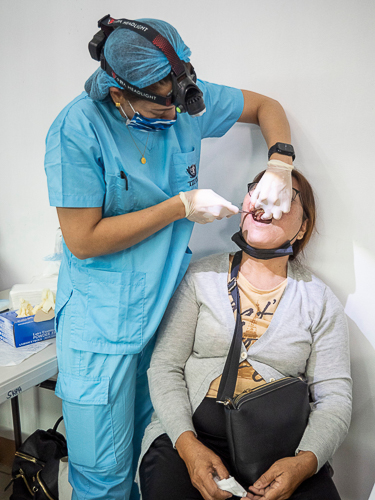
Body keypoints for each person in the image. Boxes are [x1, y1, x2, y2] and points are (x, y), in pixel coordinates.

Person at [44, 15, 299, 500]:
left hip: (163, 318)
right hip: (101, 328)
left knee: (148, 456)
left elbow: (267, 106)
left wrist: (280, 163)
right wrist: (178, 208)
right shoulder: (77, 129)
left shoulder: (184, 97)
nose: (174, 118)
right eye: (159, 107)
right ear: (119, 94)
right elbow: (83, 239)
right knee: (103, 478)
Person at [138, 168, 352, 500]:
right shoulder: (200, 276)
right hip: (188, 436)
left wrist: (304, 462)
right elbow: (164, 367)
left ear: (303, 228)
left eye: (284, 196)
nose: (267, 202)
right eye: (258, 191)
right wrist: (187, 444)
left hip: (282, 448)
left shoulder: (319, 300)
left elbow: (335, 399)